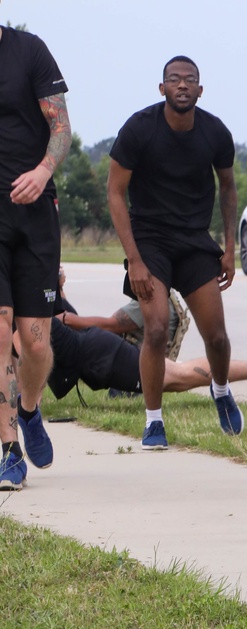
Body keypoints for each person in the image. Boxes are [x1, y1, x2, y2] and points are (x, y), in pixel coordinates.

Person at [107, 56, 240, 451]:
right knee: (157, 328)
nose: (182, 85)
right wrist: (134, 259)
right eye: (174, 80)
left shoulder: (215, 132)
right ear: (161, 88)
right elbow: (115, 192)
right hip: (149, 240)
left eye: (190, 80)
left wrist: (230, 248)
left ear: (200, 90)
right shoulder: (139, 129)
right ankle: (153, 422)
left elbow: (229, 188)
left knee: (216, 336)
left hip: (194, 240)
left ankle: (220, 389)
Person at [0, 13, 71, 489]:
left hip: (34, 212)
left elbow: (61, 127)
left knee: (36, 343)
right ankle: (8, 447)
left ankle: (28, 410)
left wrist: (43, 172)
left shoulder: (29, 50)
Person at [48, 268, 247, 408]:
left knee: (181, 375)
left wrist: (65, 317)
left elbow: (108, 325)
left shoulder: (151, 297)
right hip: (101, 354)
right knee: (179, 377)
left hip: (106, 355)